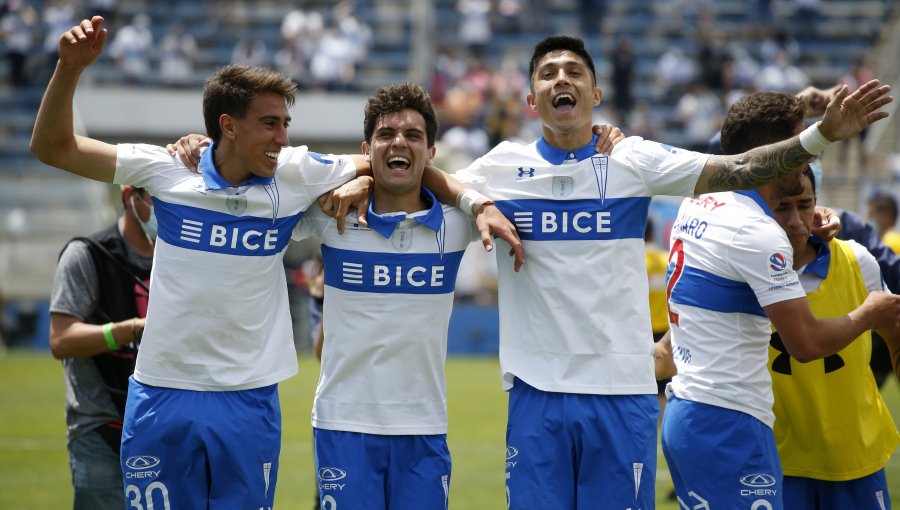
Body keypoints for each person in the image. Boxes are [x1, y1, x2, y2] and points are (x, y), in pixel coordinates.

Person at [31, 16, 521, 508]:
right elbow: (53, 148)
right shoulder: (165, 170)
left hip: (249, 398)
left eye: (285, 124)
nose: (283, 138)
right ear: (227, 126)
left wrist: (377, 184)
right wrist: (69, 70)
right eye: (270, 124)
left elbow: (394, 162)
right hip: (162, 390)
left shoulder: (292, 176)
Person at [451, 35, 893, 509]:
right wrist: (473, 201)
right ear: (530, 99)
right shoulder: (499, 169)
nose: (562, 78)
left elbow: (739, 166)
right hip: (536, 394)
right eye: (549, 72)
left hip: (623, 393)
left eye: (575, 71)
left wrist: (819, 137)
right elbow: (420, 180)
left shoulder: (630, 159)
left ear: (596, 96)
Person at [662, 91, 900, 510]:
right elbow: (805, 344)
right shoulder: (755, 231)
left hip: (697, 413)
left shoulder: (698, 203)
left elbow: (740, 148)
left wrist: (801, 217)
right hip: (731, 422)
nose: (808, 157)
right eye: (800, 145)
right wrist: (868, 313)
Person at [294, 82, 482, 509]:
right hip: (344, 424)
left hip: (425, 428)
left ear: (431, 154)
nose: (399, 142)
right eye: (386, 135)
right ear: (367, 149)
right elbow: (261, 186)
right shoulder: (330, 215)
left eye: (413, 136)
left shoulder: (456, 225)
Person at [770, 166, 899, 509]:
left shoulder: (858, 260)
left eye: (805, 204)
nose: (795, 220)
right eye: (781, 207)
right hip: (777, 460)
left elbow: (894, 332)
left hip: (855, 456)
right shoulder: (742, 271)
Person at [49, 185, 153, 510]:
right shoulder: (87, 254)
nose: (167, 205)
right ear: (128, 197)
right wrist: (130, 330)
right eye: (156, 196)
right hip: (101, 427)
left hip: (165, 427)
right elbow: (61, 339)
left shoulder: (183, 257)